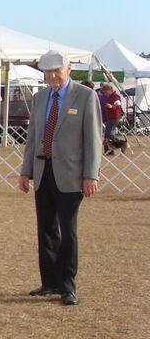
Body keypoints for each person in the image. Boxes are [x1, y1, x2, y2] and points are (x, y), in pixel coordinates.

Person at [19, 50, 101, 307]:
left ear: (68, 69)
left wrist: (90, 174)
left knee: (68, 231)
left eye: (56, 70)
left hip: (72, 175)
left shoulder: (85, 96)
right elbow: (33, 136)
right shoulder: (40, 97)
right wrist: (26, 170)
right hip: (43, 171)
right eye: (47, 71)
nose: (52, 76)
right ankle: (50, 281)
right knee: (45, 229)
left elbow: (93, 139)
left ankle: (68, 286)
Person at [99, 83, 124, 155]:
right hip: (109, 118)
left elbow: (118, 106)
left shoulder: (116, 97)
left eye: (106, 92)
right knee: (107, 134)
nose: (105, 94)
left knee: (110, 134)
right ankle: (109, 150)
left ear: (110, 90)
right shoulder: (109, 97)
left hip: (114, 117)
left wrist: (111, 106)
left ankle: (121, 144)